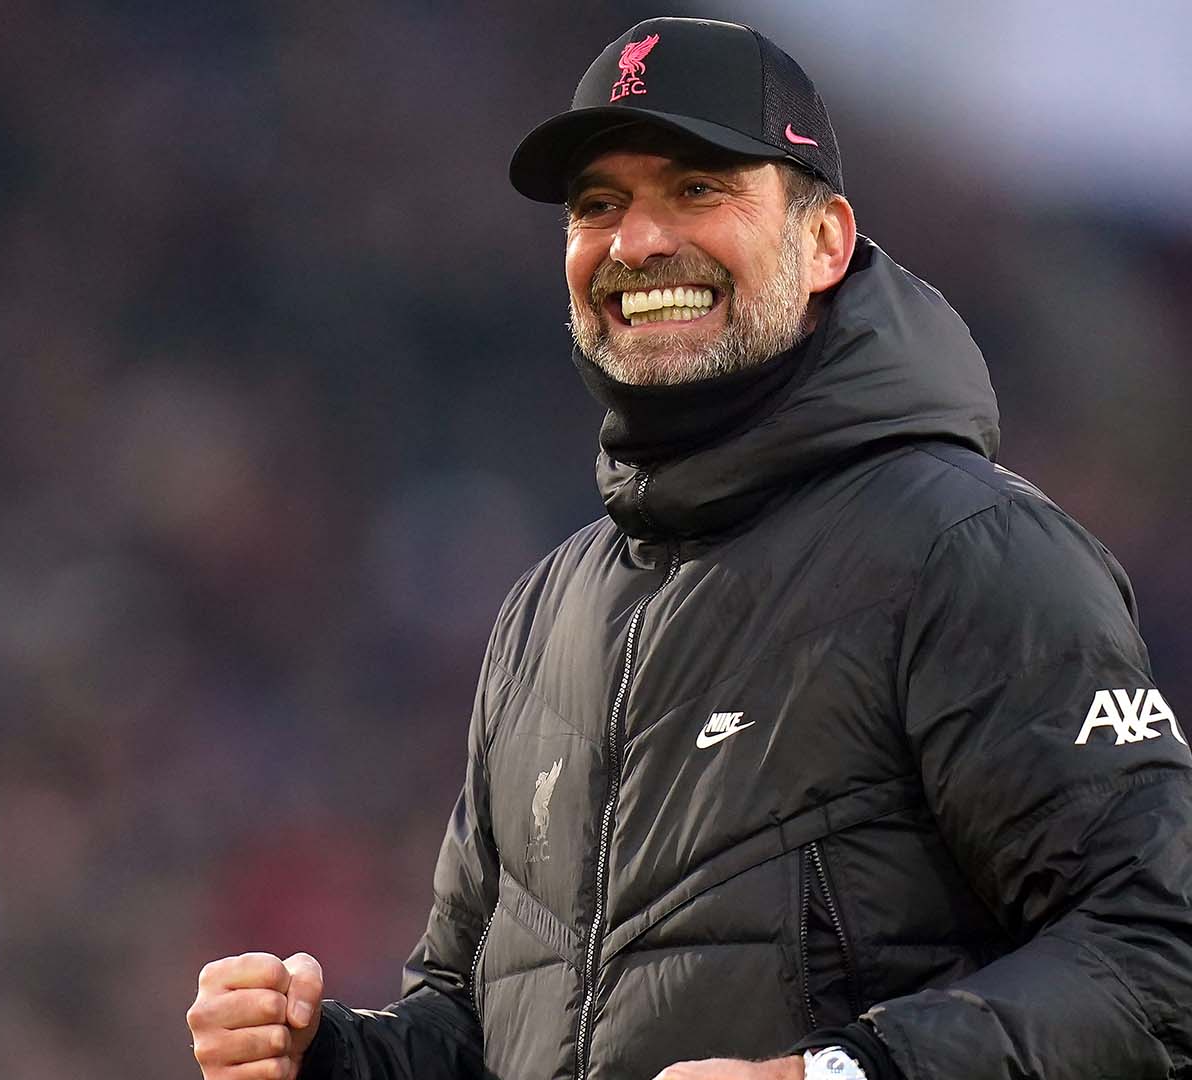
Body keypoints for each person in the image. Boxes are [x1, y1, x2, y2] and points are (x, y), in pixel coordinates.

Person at [185, 15, 1192, 1080]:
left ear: (824, 243)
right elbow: (474, 1019)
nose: (636, 243)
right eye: (598, 205)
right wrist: (328, 1058)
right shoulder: (545, 613)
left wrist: (833, 1075)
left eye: (698, 188)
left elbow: (1157, 952)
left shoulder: (969, 550)